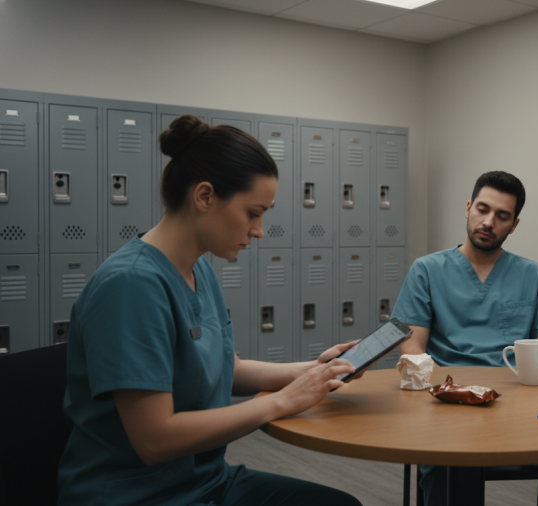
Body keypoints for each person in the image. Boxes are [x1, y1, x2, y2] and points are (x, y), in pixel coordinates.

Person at [57, 115, 362, 506]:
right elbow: (155, 439)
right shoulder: (130, 286)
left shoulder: (197, 267)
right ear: (204, 197)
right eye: (253, 213)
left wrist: (312, 373)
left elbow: (223, 368)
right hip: (137, 495)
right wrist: (282, 401)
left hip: (203, 481)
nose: (260, 230)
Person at [392, 171, 538, 506]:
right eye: (483, 210)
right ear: (468, 208)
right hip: (449, 412)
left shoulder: (532, 275)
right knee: (455, 465)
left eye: (502, 216)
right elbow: (412, 346)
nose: (489, 222)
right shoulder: (427, 270)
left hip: (519, 412)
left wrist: (527, 403)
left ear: (514, 225)